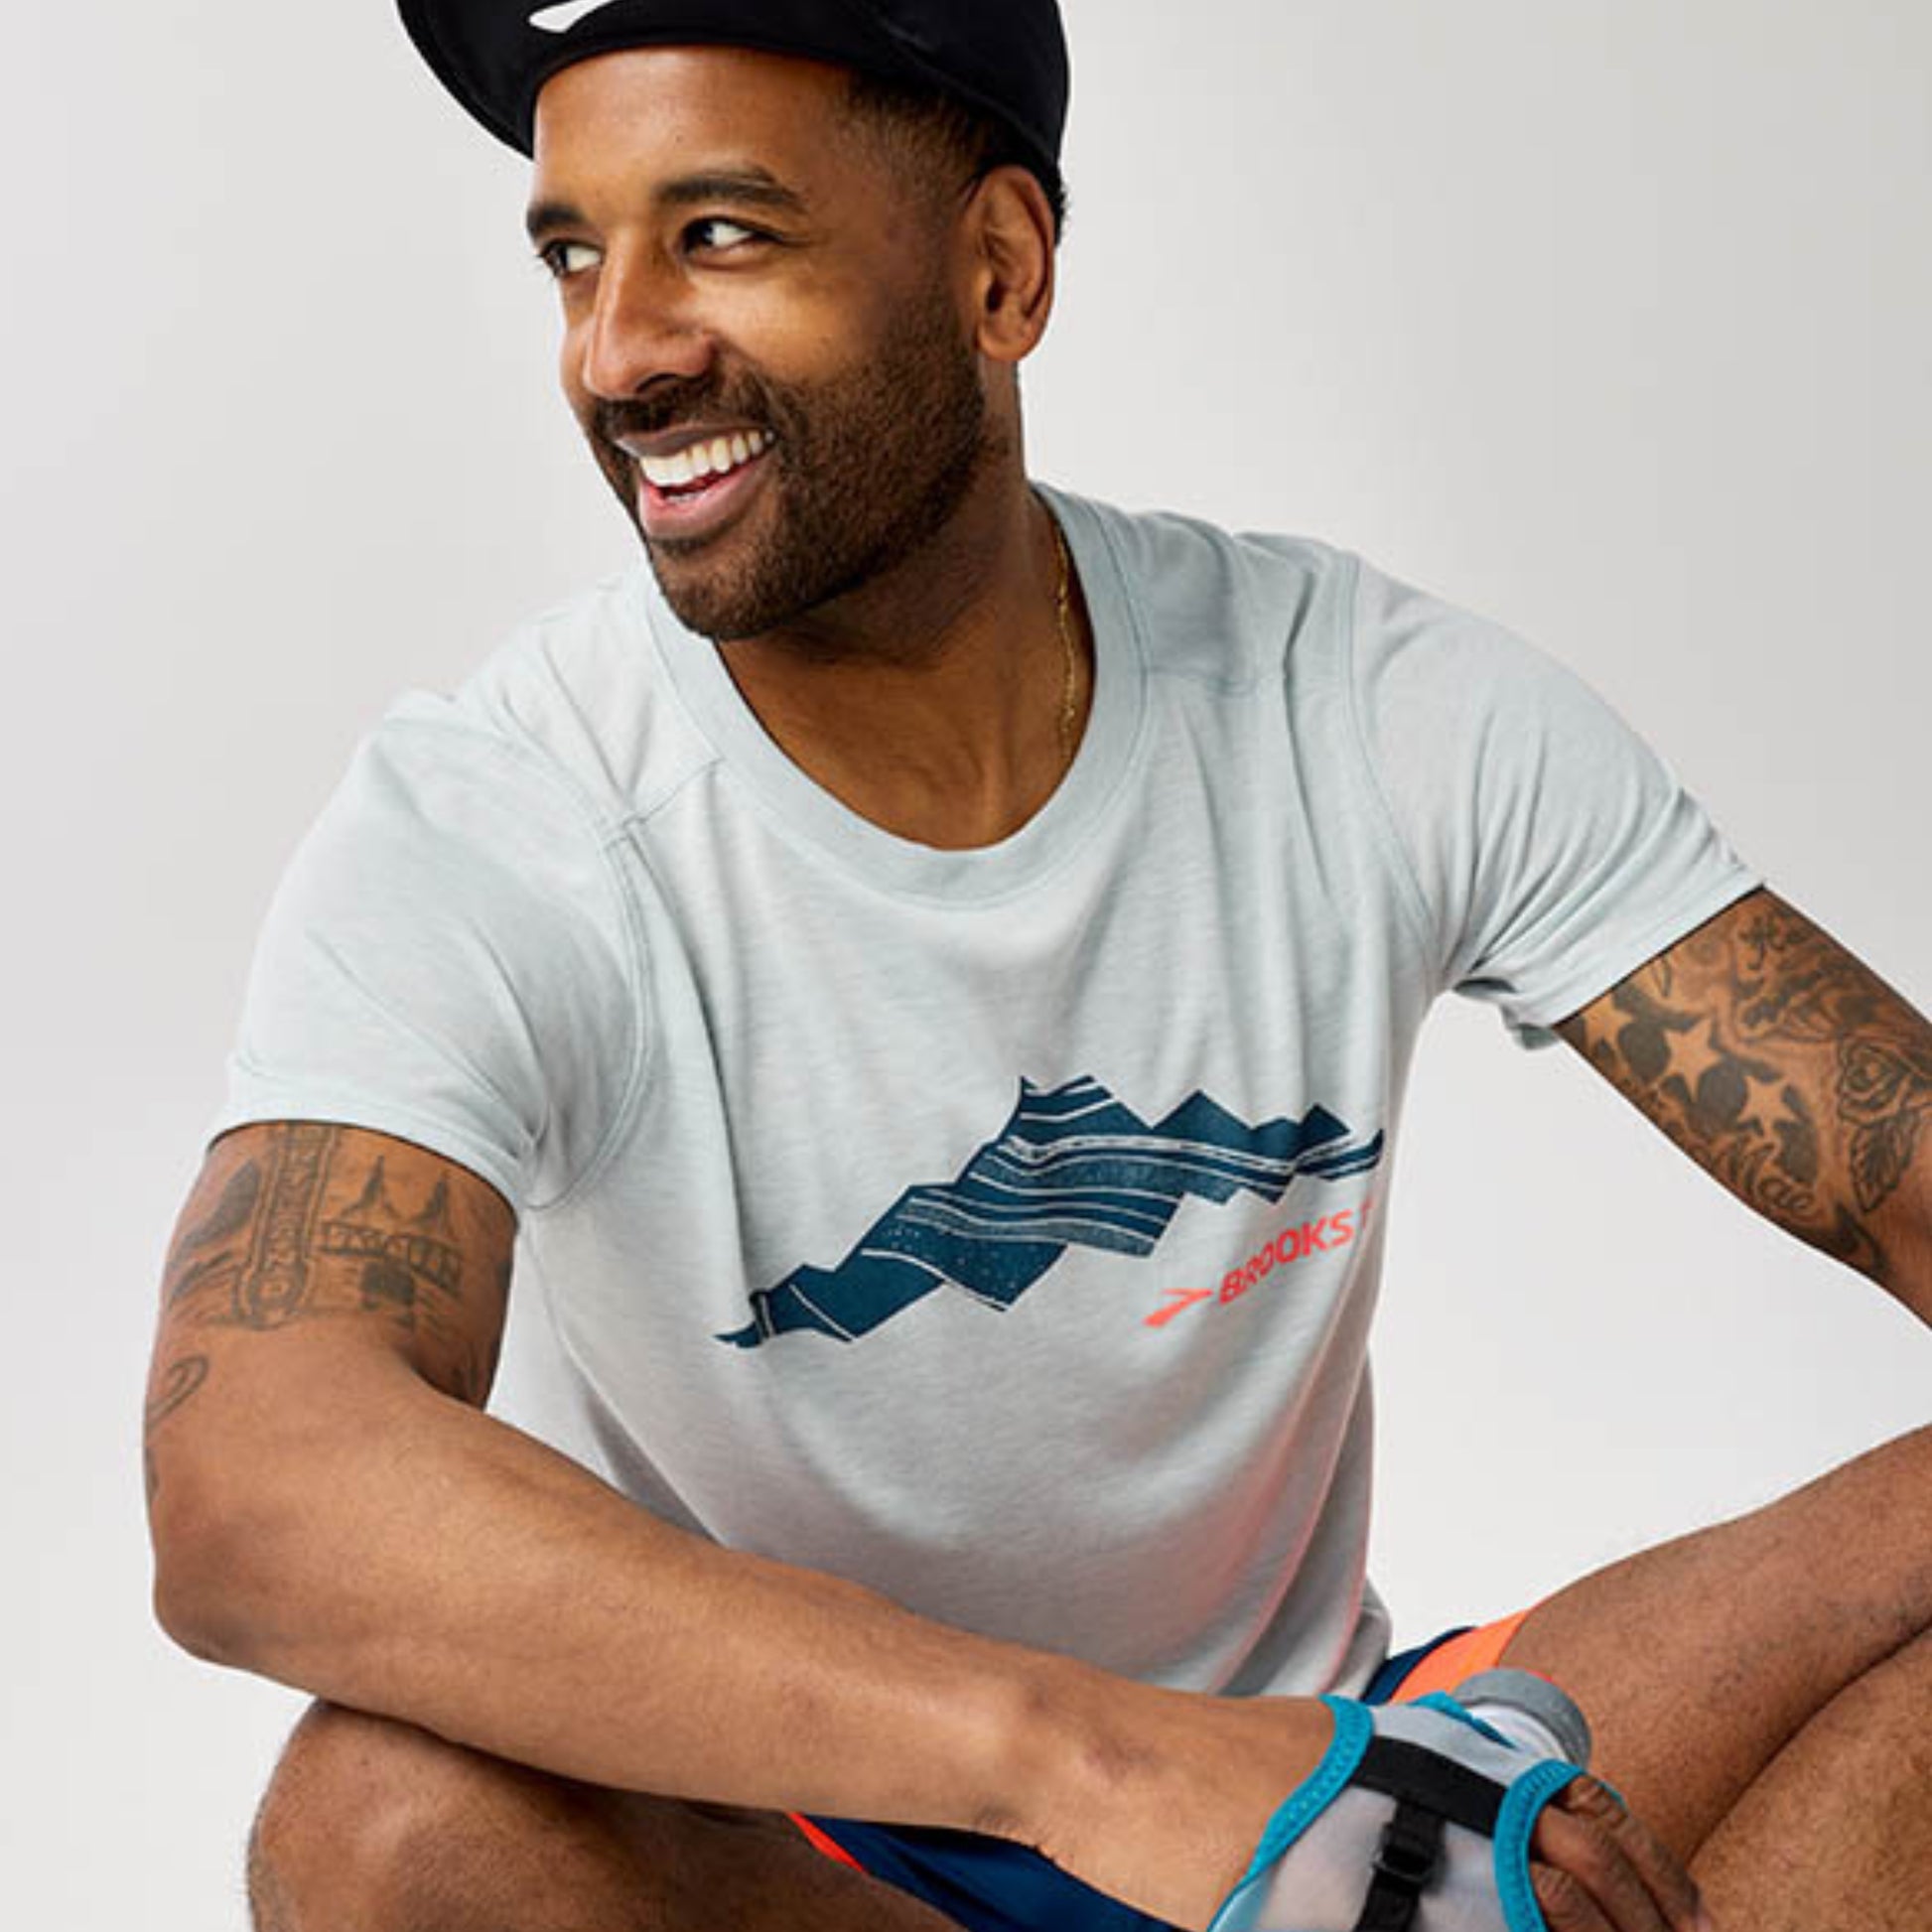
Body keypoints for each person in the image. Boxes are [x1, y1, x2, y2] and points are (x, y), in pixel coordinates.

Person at [143, 4, 1930, 1929]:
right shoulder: (511, 820)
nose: (618, 348)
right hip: (815, 1847)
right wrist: (1093, 1759)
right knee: (383, 1818)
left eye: (721, 233)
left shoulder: (1360, 708)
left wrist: (1303, 1797)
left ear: (1000, 272)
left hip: (1350, 1795)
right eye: (576, 252)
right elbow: (254, 1481)